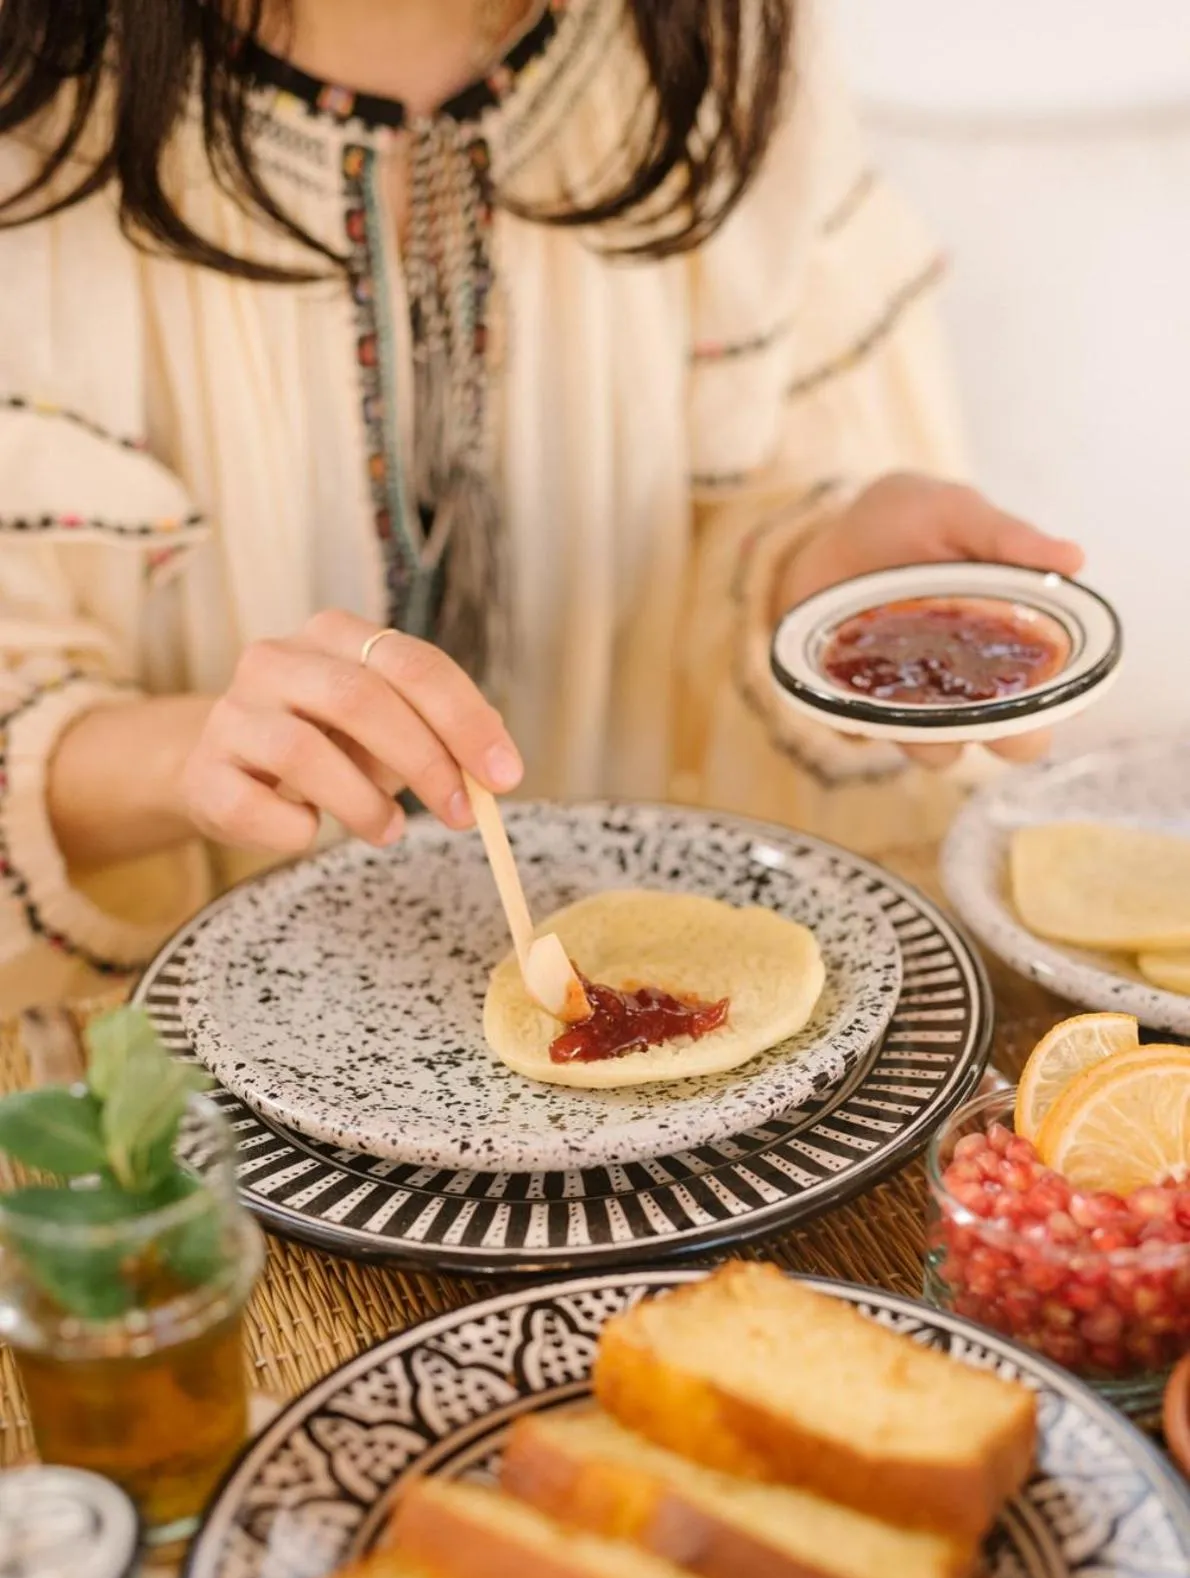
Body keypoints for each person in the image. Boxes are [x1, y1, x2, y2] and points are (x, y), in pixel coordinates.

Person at [0, 0, 1081, 1015]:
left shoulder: (719, 43)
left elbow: (742, 514)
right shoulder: (31, 125)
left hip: (672, 1123)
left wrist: (817, 574)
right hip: (170, 1121)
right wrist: (188, 754)